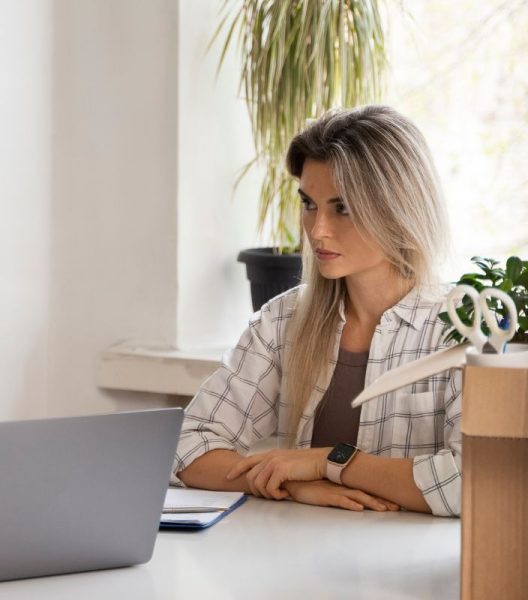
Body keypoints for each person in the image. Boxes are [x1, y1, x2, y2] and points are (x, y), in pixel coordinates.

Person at [172, 106, 461, 517]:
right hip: (300, 549)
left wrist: (330, 462)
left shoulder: (462, 330)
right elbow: (185, 443)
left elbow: (474, 482)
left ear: (399, 208)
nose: (317, 230)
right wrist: (290, 483)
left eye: (342, 208)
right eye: (309, 204)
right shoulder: (283, 320)